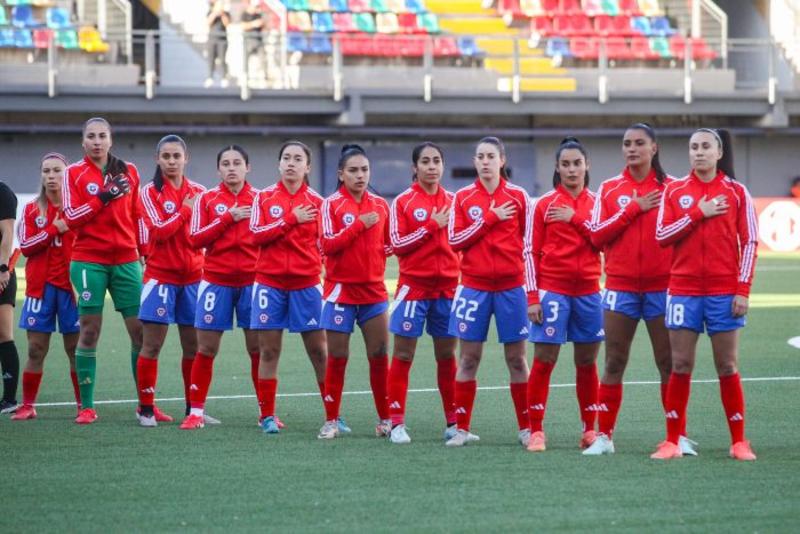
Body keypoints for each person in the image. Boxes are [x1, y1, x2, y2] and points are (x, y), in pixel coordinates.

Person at [584, 124, 696, 456]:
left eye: (639, 143)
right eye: (626, 144)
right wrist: (632, 209)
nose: (632, 149)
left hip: (664, 288)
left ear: (654, 148)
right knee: (614, 361)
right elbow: (596, 236)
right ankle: (604, 436)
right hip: (620, 288)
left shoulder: (673, 188)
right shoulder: (609, 188)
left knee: (669, 363)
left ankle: (677, 437)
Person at [651, 128, 758, 461]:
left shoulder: (738, 193)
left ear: (719, 152)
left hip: (724, 292)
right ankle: (673, 441)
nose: (698, 152)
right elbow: (662, 235)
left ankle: (739, 441)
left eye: (705, 147)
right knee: (680, 365)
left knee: (727, 365)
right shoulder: (675, 191)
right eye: (693, 147)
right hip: (683, 292)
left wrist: (742, 290)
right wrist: (698, 212)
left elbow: (751, 243)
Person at [445, 136, 534, 448]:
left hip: (511, 288)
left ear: (502, 160)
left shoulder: (520, 197)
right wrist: (488, 219)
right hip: (474, 289)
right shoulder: (463, 198)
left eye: (490, 156)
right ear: (474, 162)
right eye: (480, 156)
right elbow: (455, 240)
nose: (485, 161)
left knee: (517, 359)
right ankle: (462, 428)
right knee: (468, 358)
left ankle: (527, 428)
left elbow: (528, 243)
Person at [63, 117, 147, 424]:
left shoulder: (130, 170)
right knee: (90, 330)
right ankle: (86, 406)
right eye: (91, 136)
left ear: (111, 140)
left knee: (141, 332)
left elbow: (138, 215)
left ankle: (145, 405)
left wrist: (145, 252)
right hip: (89, 261)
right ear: (83, 142)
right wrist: (102, 197)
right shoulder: (73, 173)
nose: (97, 141)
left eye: (102, 136)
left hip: (127, 260)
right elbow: (71, 216)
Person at [526, 137, 603, 453]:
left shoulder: (599, 203)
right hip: (553, 293)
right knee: (544, 360)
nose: (572, 169)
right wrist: (532, 297)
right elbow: (529, 252)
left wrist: (575, 219)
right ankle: (536, 432)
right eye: (566, 164)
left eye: (577, 163)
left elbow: (602, 241)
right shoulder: (543, 205)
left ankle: (589, 431)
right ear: (557, 168)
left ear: (587, 166)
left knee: (587, 362)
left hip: (589, 292)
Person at [249, 141, 327, 434]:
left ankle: (332, 415)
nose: (291, 163)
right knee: (269, 351)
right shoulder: (264, 198)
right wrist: (290, 220)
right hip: (269, 283)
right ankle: (267, 416)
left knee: (319, 351)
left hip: (306, 284)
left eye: (298, 159)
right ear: (279, 164)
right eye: (286, 158)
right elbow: (256, 236)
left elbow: (324, 244)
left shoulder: (319, 202)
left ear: (308, 166)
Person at [180, 145, 260, 430]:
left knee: (257, 349)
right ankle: (196, 412)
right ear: (218, 170)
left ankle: (266, 413)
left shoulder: (260, 199)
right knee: (207, 348)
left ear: (247, 167)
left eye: (237, 162)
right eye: (225, 163)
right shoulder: (207, 199)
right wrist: (228, 218)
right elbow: (195, 239)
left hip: (253, 282)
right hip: (216, 282)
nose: (231, 168)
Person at [316, 144, 393, 440]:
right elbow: (327, 245)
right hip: (340, 294)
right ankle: (331, 420)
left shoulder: (380, 205)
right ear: (341, 174)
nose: (360, 175)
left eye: (364, 170)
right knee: (337, 358)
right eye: (353, 170)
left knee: (379, 355)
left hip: (374, 293)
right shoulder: (330, 205)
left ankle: (386, 419)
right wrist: (359, 226)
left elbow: (388, 245)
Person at [135, 135, 212, 427]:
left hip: (194, 279)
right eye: (165, 156)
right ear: (158, 159)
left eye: (176, 156)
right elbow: (158, 232)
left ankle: (193, 409)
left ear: (186, 158)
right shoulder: (149, 192)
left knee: (193, 348)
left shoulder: (200, 191)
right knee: (152, 345)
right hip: (161, 278)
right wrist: (186, 210)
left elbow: (206, 233)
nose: (171, 161)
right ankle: (145, 408)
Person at [386, 142, 459, 444]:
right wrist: (430, 226)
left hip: (448, 291)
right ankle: (396, 423)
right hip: (413, 289)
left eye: (437, 161)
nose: (432, 166)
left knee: (447, 356)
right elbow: (395, 244)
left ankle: (454, 422)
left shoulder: (456, 200)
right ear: (414, 168)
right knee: (403, 355)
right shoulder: (402, 202)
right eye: (425, 161)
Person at [12, 153, 81, 420]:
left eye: (57, 171)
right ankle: (28, 405)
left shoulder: (78, 209)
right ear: (41, 175)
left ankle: (82, 405)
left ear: (67, 175)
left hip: (71, 290)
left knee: (75, 350)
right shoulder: (31, 209)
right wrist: (54, 229)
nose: (51, 176)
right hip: (39, 289)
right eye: (46, 171)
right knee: (35, 348)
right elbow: (27, 248)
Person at [0, 179, 19, 414]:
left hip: (1, 271)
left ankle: (9, 398)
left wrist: (2, 268)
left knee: (3, 334)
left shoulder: (3, 191)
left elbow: (7, 232)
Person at [205, 0, 231, 88]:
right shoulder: (211, 12)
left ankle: (224, 78)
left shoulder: (226, 13)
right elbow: (208, 23)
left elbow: (227, 24)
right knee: (211, 59)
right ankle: (210, 77)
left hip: (222, 40)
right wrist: (215, 13)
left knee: (222, 59)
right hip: (212, 39)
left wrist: (222, 14)